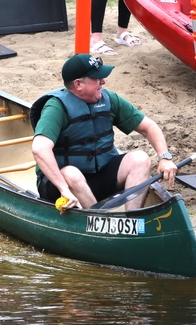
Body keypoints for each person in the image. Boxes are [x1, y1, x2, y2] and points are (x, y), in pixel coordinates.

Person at [30, 53, 177, 211]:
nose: (103, 81)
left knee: (140, 159)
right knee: (72, 174)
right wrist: (64, 189)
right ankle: (99, 219)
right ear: (78, 84)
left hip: (101, 178)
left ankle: (132, 219)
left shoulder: (109, 99)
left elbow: (148, 127)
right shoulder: (56, 107)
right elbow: (39, 149)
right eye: (97, 78)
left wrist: (165, 158)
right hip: (63, 186)